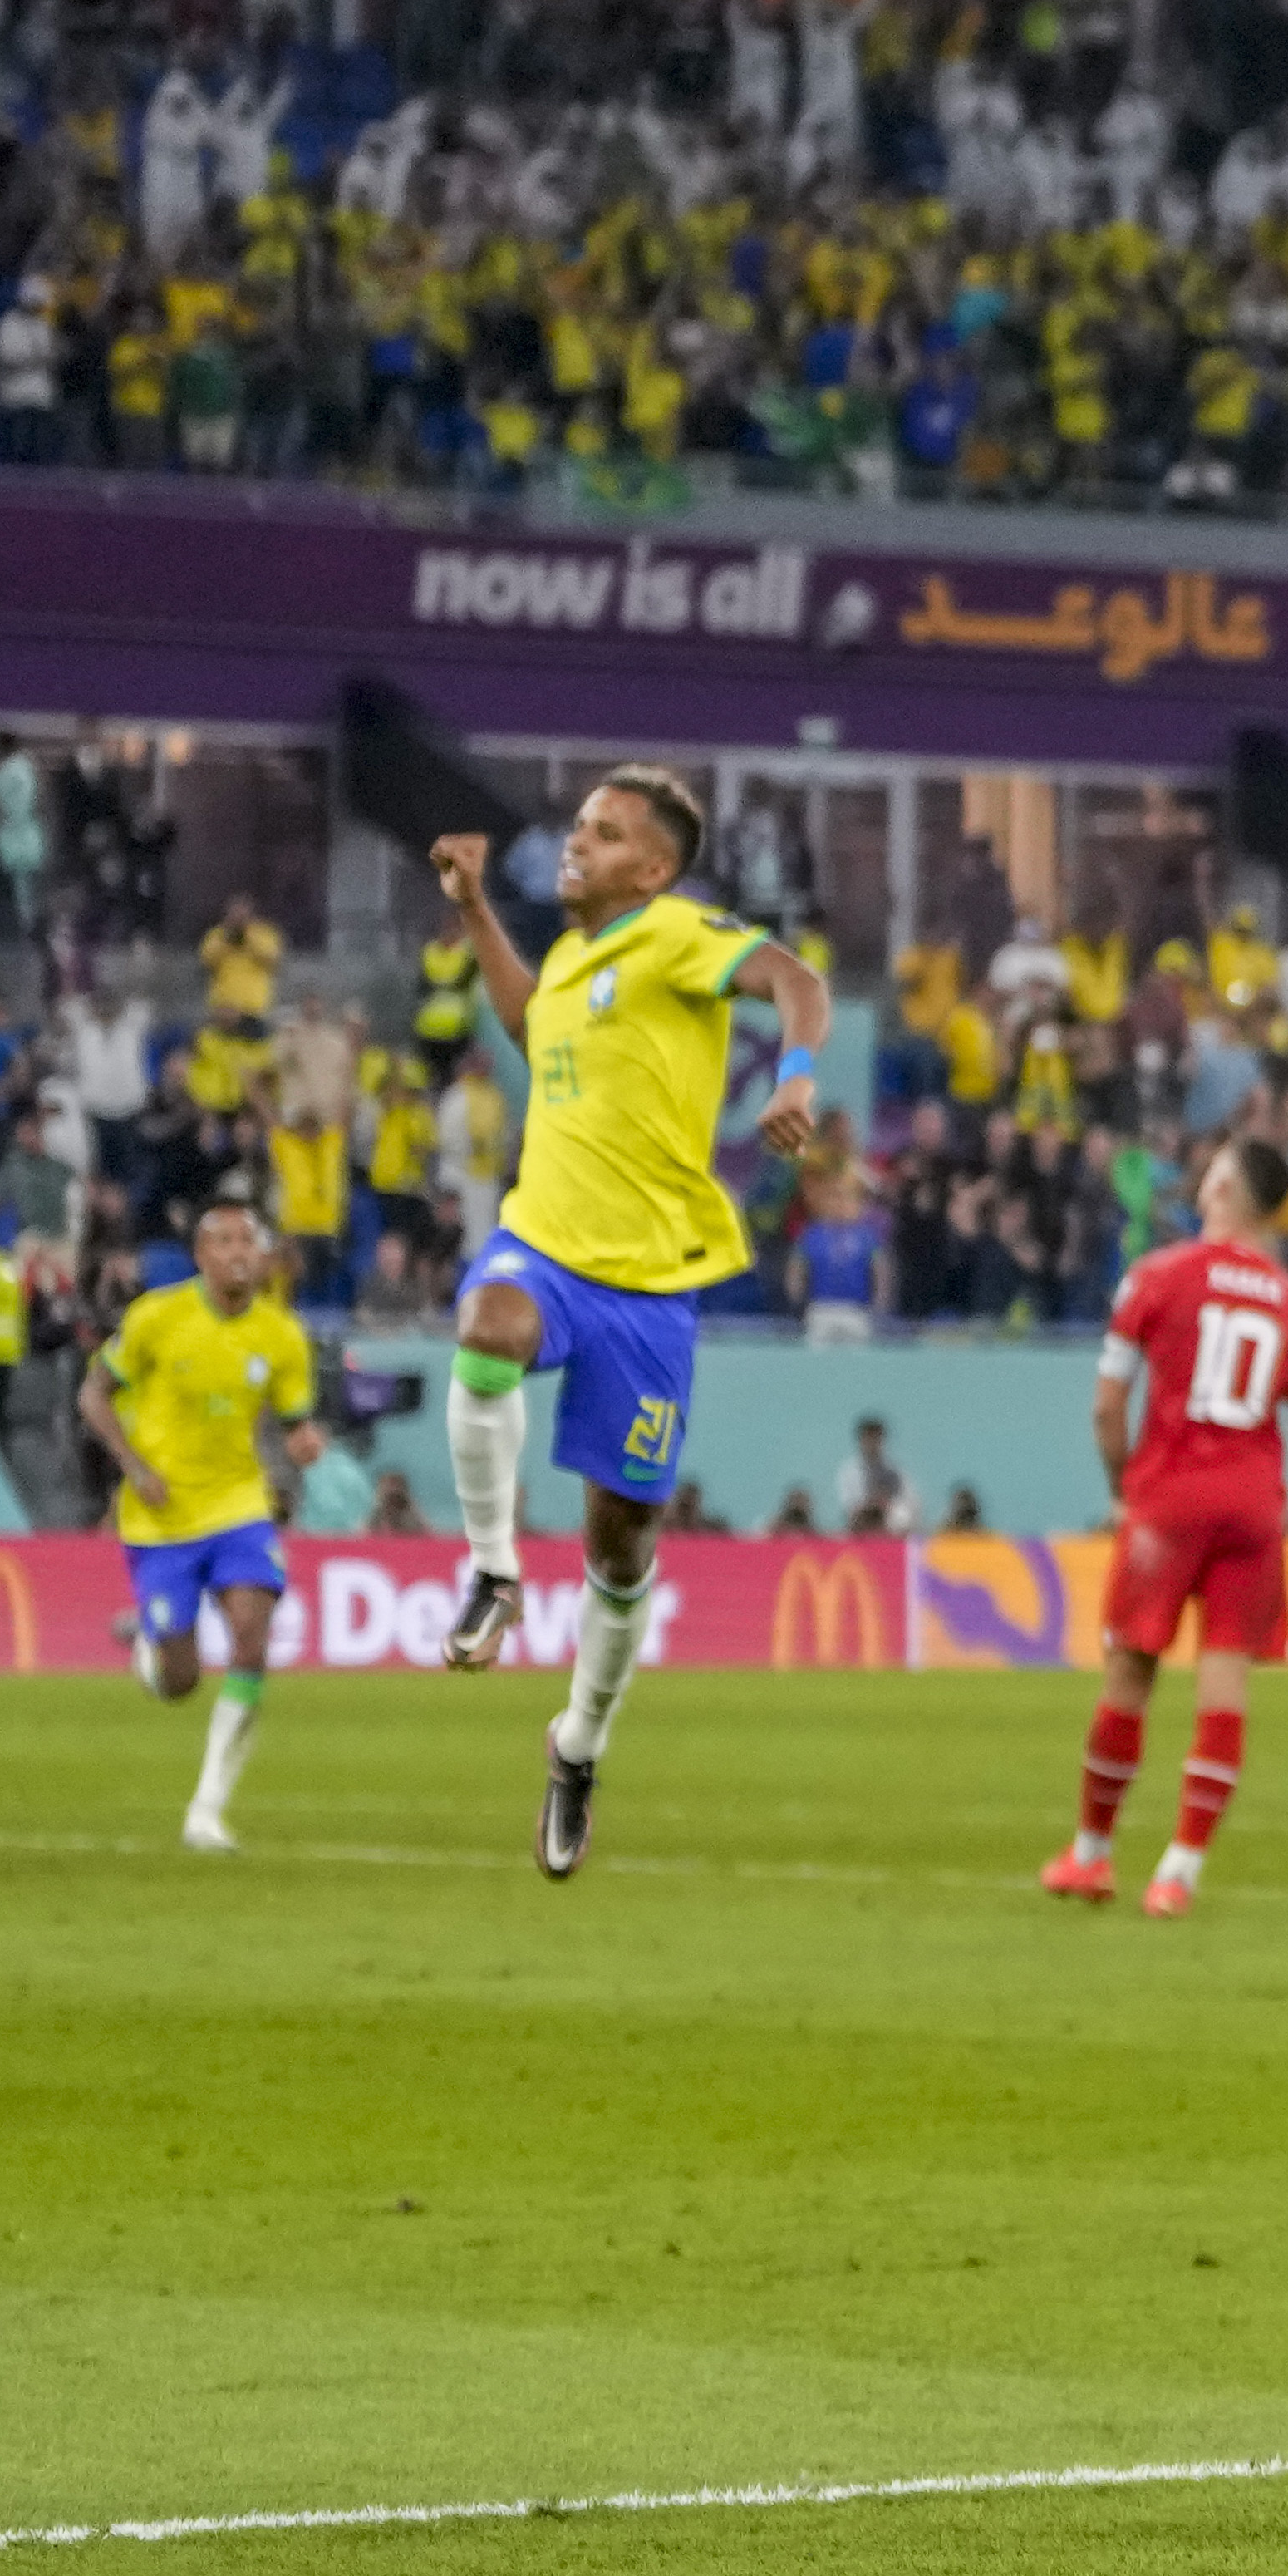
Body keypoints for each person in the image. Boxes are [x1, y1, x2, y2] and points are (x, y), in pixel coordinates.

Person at [424, 768, 829, 1877]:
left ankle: (577, 1743)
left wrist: (793, 1078)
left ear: (650, 867)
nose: (575, 842)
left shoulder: (673, 934)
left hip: (648, 1290)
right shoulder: (569, 960)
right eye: (577, 826)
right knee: (486, 1325)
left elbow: (795, 978)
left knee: (621, 1546)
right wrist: (472, 907)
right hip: (545, 1247)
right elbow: (526, 1016)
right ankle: (495, 1571)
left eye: (603, 834)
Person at [1054, 1132, 1288, 1915]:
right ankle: (1178, 1870)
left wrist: (1122, 1486)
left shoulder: (1155, 1277)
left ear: (1218, 1186)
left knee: (1130, 1672)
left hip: (1168, 1499)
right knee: (1224, 1682)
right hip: (1253, 1504)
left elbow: (1107, 1404)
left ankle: (1091, 1854)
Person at [86, 1195, 323, 1853]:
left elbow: (295, 1417)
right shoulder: (156, 1317)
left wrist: (304, 1440)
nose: (238, 1252)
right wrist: (131, 1465)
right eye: (223, 1240)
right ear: (201, 1255)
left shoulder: (281, 1334)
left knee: (252, 1632)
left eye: (248, 1239)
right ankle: (152, 1648)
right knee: (180, 1681)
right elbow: (93, 1393)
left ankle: (207, 1810)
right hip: (161, 1516)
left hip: (238, 1504)